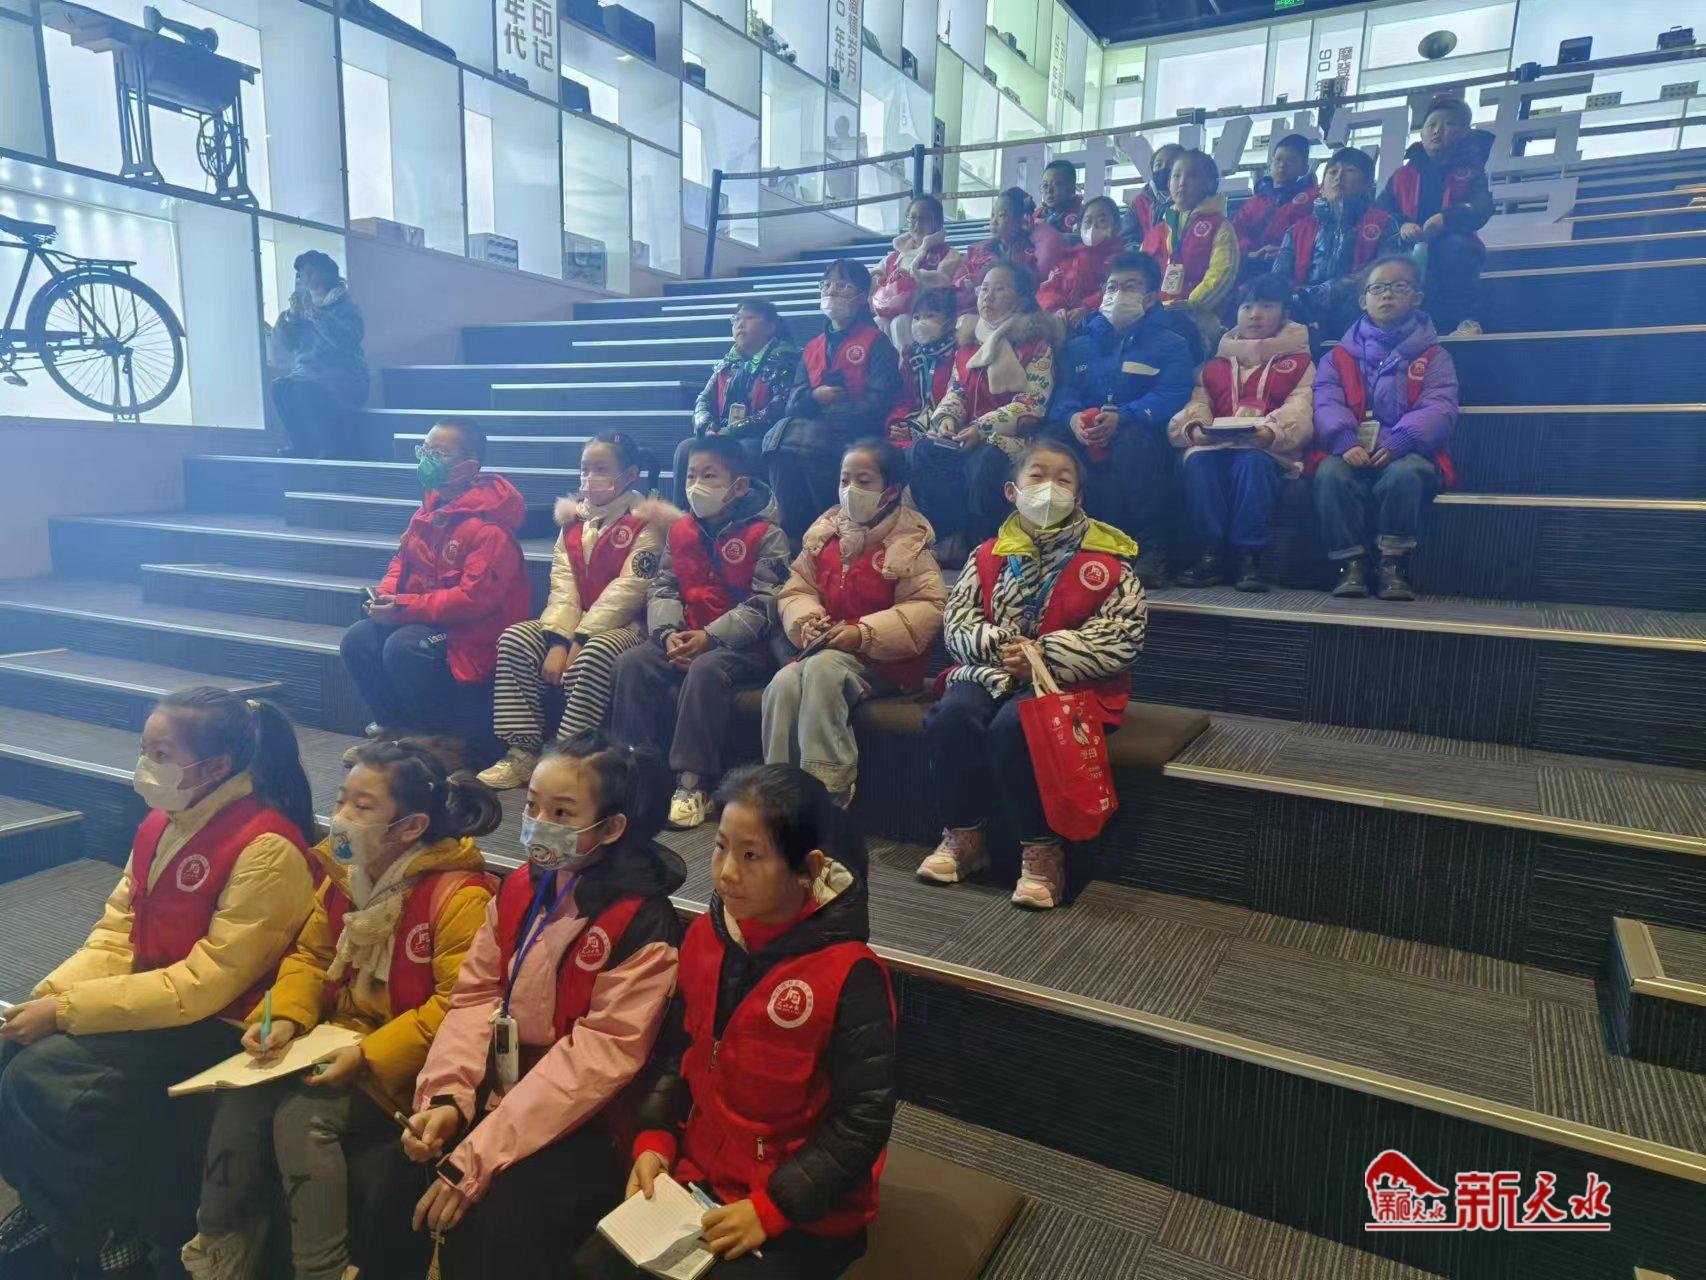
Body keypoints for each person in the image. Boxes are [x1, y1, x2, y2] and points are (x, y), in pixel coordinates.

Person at [0, 689, 318, 1277]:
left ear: (215, 767)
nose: (145, 763)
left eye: (162, 754)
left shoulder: (266, 848)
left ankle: (104, 1229)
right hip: (159, 998)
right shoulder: (161, 823)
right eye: (144, 748)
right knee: (8, 1050)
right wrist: (49, 997)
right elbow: (116, 932)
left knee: (42, 1078)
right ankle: (51, 1208)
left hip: (223, 1022)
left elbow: (206, 983)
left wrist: (67, 1013)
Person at [182, 741, 500, 1280]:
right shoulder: (341, 876)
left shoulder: (459, 896)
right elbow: (310, 957)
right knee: (240, 1100)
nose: (343, 816)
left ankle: (322, 1268)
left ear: (410, 826)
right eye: (341, 799)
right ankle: (221, 1241)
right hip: (334, 1036)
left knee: (305, 1118)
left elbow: (456, 1007)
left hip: (403, 1060)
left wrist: (368, 1056)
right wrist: (283, 1017)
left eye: (363, 806)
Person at [573, 764, 896, 1280]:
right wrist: (655, 1138)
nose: (726, 872)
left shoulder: (850, 974)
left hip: (802, 1210)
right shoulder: (707, 935)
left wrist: (772, 1209)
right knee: (594, 1268)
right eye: (721, 847)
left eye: (752, 856)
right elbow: (677, 1051)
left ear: (808, 867)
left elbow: (863, 1120)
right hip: (702, 1176)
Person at [388, 734, 685, 1280]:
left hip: (589, 1120)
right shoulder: (524, 884)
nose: (538, 823)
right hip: (501, 1092)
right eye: (532, 806)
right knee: (398, 1179)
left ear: (611, 828)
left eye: (562, 813)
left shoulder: (643, 920)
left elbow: (597, 1059)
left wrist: (479, 1152)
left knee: (498, 1225)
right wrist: (448, 1097)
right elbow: (476, 994)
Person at [919, 440, 1146, 910]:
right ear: (1012, 491)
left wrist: (1046, 655)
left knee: (1018, 726)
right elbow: (956, 621)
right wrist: (1002, 649)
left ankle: (1043, 850)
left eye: (1063, 480)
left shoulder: (1106, 561)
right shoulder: (987, 555)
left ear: (1078, 496)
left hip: (1070, 685)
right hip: (991, 673)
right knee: (951, 717)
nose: (1048, 488)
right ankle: (964, 835)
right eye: (1036, 477)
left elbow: (1123, 634)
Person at [609, 436, 792, 831]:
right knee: (632, 662)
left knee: (705, 669)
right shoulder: (680, 530)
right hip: (684, 634)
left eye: (710, 476)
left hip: (744, 646)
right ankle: (634, 771)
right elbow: (664, 587)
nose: (697, 485)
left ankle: (693, 783)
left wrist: (710, 637)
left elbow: (766, 603)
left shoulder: (767, 534)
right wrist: (667, 633)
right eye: (691, 476)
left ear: (739, 486)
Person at [763, 440, 946, 810]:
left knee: (822, 670)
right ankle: (779, 787)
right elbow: (797, 588)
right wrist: (806, 622)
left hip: (885, 662)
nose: (850, 490)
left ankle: (829, 789)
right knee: (782, 682)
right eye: (844, 480)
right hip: (827, 649)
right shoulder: (824, 533)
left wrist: (862, 633)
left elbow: (927, 608)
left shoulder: (910, 541)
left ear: (890, 491)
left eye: (863, 481)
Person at [479, 433, 665, 790]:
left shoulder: (647, 523)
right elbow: (562, 584)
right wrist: (559, 641)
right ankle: (522, 751)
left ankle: (568, 757)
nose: (590, 478)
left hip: (629, 625)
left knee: (595, 653)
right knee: (516, 638)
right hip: (572, 621)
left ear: (629, 475)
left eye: (601, 469)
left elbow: (629, 591)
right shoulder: (573, 520)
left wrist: (580, 639)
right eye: (585, 469)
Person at [341, 419, 529, 767]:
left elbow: (472, 600)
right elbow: (401, 561)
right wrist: (386, 596)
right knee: (358, 639)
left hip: (474, 632)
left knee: (405, 646)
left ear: (469, 468)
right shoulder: (429, 510)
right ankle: (395, 730)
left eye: (440, 454)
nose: (428, 460)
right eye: (425, 451)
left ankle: (443, 740)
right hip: (429, 616)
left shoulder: (490, 527)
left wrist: (402, 607)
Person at [1312, 255, 1460, 601]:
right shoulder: (1338, 357)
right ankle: (1350, 563)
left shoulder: (1434, 356)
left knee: (1405, 475)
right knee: (1331, 474)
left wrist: (1400, 440)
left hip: (1408, 448)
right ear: (1363, 300)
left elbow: (1440, 406)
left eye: (1398, 287)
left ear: (1417, 297)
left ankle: (1393, 562)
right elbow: (1325, 400)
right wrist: (1344, 439)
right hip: (1351, 446)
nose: (1387, 295)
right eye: (1377, 288)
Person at [1049, 250, 1195, 588]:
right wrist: (1072, 418)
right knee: (1051, 442)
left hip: (1141, 431)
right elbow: (1063, 394)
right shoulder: (1080, 345)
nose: (1117, 294)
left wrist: (1125, 416)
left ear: (1150, 297)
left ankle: (1152, 548)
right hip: (1087, 429)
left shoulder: (1171, 344)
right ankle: (1051, 541)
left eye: (1130, 287)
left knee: (1134, 443)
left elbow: (1172, 393)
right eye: (1112, 287)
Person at [1170, 274, 1315, 593]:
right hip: (1216, 444)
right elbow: (1199, 402)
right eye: (1247, 306)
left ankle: (1250, 556)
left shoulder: (1300, 361)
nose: (1255, 314)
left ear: (1285, 313)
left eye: (1267, 306)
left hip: (1268, 448)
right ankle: (1210, 554)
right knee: (1198, 462)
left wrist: (1271, 432)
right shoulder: (1216, 363)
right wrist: (1195, 429)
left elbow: (1301, 406)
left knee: (1252, 463)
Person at [908, 261, 1061, 554]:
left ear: (1021, 300)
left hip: (1013, 439)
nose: (987, 297)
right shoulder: (968, 344)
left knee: (985, 461)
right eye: (984, 289)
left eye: (999, 289)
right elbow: (957, 391)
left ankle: (986, 543)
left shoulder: (1037, 345)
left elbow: (1031, 404)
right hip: (966, 434)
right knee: (922, 452)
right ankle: (949, 535)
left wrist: (982, 428)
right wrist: (947, 419)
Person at [763, 261, 901, 539]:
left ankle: (828, 532)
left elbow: (881, 402)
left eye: (842, 285)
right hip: (809, 429)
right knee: (782, 441)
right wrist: (814, 396)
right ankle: (794, 536)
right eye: (826, 285)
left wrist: (836, 409)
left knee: (808, 441)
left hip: (855, 430)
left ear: (861, 296)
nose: (831, 291)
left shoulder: (877, 342)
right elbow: (793, 401)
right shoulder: (813, 346)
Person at [1377, 95, 1493, 335]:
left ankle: (1467, 320)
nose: (1437, 130)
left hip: (1452, 243)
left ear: (1464, 132)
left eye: (1448, 124)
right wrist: (1402, 224)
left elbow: (1482, 206)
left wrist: (1448, 219)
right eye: (1431, 124)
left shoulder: (1471, 171)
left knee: (1456, 249)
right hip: (1407, 244)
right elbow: (1381, 210)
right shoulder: (1403, 174)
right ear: (1422, 133)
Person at [675, 300, 801, 506]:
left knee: (746, 449)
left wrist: (732, 431)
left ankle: (748, 517)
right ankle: (684, 517)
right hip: (723, 435)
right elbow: (704, 400)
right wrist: (707, 427)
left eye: (749, 318)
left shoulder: (785, 358)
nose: (740, 324)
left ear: (770, 327)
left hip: (762, 438)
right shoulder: (728, 362)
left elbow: (779, 406)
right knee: (686, 448)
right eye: (736, 319)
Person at [1272, 146, 1401, 342]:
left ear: (1368, 183)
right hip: (1304, 311)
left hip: (1359, 310)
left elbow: (1386, 274)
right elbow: (1277, 281)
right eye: (1332, 172)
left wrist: (1334, 289)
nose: (1339, 177)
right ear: (1321, 187)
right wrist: (1307, 298)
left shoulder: (1384, 224)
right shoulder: (1296, 230)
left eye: (1349, 171)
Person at [1140, 148, 1239, 359]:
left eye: (1192, 176)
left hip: (1198, 319)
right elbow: (1140, 270)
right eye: (1176, 176)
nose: (1182, 182)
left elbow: (1222, 272)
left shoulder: (1219, 226)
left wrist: (1192, 303)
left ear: (1209, 184)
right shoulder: (1160, 229)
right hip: (1153, 313)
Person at [271, 250, 368, 459]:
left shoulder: (346, 307)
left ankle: (327, 447)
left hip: (342, 376)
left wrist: (316, 314)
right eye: (300, 275)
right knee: (280, 388)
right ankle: (301, 444)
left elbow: (347, 340)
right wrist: (291, 317)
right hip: (306, 373)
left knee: (304, 391)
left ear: (325, 275)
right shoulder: (302, 308)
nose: (304, 279)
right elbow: (284, 345)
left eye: (309, 273)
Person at [869, 195, 962, 349]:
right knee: (876, 323)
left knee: (901, 323)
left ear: (937, 222)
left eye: (924, 219)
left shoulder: (947, 254)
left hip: (927, 314)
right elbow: (874, 275)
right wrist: (878, 279)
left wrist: (916, 279)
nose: (917, 224)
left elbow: (945, 284)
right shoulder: (895, 256)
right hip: (893, 311)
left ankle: (908, 362)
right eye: (913, 218)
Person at [953, 187, 1065, 314]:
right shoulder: (978, 251)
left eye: (1001, 215)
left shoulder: (1028, 254)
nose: (994, 221)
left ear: (1020, 220)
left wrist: (982, 283)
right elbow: (956, 282)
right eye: (992, 215)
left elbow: (1026, 291)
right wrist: (964, 282)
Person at [1230, 134, 1318, 277]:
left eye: (1291, 160)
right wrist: (1251, 253)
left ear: (1304, 168)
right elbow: (1235, 232)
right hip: (1247, 265)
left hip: (1287, 272)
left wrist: (1285, 253)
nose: (1282, 165)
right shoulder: (1255, 201)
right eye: (1278, 159)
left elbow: (1311, 239)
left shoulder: (1311, 200)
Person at [884, 287, 959, 446]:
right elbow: (904, 398)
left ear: (950, 321)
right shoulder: (912, 356)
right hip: (913, 422)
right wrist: (897, 423)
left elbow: (957, 403)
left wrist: (917, 429)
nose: (920, 323)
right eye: (916, 317)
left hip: (946, 427)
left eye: (930, 315)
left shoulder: (957, 354)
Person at [1036, 195, 1125, 323]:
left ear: (1115, 227)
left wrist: (1087, 309)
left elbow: (1118, 292)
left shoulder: (1123, 262)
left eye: (1101, 221)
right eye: (1088, 221)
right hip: (1063, 322)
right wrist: (1057, 309)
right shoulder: (1068, 258)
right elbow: (1049, 289)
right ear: (1080, 226)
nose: (1093, 226)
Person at [1121, 142, 1183, 248]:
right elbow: (1127, 239)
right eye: (1158, 165)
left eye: (1171, 163)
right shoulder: (1139, 202)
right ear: (1152, 170)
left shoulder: (1190, 200)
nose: (1164, 168)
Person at [1038, 157, 1083, 234]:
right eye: (1045, 185)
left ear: (1072, 188)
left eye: (1057, 184)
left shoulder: (1082, 216)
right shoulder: (1037, 214)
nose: (1049, 191)